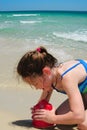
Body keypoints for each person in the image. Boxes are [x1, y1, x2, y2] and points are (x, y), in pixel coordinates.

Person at [17, 46, 87, 130]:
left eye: (35, 83)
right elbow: (43, 102)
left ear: (46, 72)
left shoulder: (67, 77)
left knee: (83, 125)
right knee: (61, 118)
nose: (36, 88)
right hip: (84, 94)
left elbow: (78, 117)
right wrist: (38, 110)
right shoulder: (50, 77)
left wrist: (52, 118)